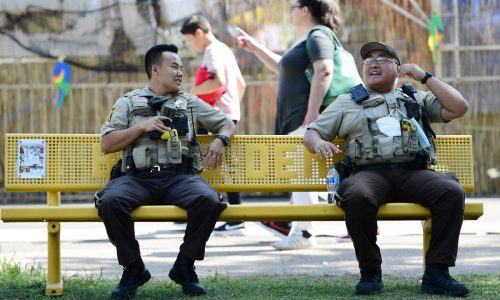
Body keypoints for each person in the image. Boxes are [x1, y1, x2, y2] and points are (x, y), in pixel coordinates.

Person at [303, 41, 470, 297]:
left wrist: (423, 76)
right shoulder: (347, 101)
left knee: (450, 192)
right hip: (368, 174)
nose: (374, 63)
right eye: (368, 59)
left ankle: (437, 273)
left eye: (383, 58)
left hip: (413, 173)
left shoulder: (415, 97)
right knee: (357, 195)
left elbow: (459, 107)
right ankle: (370, 272)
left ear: (398, 68)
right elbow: (312, 132)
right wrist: (319, 143)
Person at [95, 44, 235, 298]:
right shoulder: (128, 102)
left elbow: (227, 122)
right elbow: (107, 144)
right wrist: (142, 127)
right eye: (175, 67)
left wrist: (220, 140)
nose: (181, 72)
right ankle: (133, 267)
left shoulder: (190, 103)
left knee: (209, 200)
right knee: (110, 201)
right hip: (137, 179)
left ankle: (185, 266)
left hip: (179, 177)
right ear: (155, 69)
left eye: (182, 67)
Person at [237, 0, 346, 250]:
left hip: (304, 119)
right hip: (297, 119)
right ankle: (303, 229)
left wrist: (312, 112)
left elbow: (325, 70)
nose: (290, 12)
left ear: (305, 10)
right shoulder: (304, 39)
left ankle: (305, 232)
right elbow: (282, 67)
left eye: (292, 7)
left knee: (301, 173)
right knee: (301, 174)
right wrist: (256, 48)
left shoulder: (317, 35)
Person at [180, 15, 247, 235]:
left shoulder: (211, 51)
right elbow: (240, 84)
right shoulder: (226, 49)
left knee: (200, 159)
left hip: (214, 115)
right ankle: (233, 215)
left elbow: (217, 81)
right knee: (224, 164)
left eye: (189, 40)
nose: (190, 45)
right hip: (229, 113)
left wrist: (190, 93)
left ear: (199, 33)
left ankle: (202, 211)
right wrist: (233, 107)